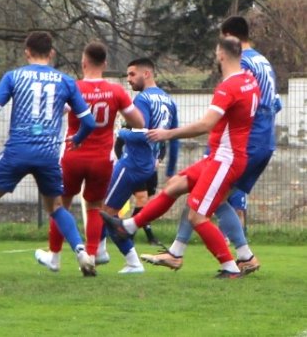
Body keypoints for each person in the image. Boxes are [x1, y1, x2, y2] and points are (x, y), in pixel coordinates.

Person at [102, 36, 259, 278]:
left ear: (221, 55)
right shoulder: (250, 80)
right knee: (175, 185)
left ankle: (230, 267)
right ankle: (129, 227)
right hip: (222, 156)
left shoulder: (228, 87)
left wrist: (168, 134)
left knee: (198, 215)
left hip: (225, 160)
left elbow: (206, 124)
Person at [142, 16, 279, 275]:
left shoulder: (242, 64)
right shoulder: (263, 61)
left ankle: (234, 256)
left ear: (229, 40)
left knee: (206, 199)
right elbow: (274, 103)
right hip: (263, 140)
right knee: (212, 199)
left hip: (241, 142)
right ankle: (187, 252)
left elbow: (233, 108)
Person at [0, 31, 97, 277]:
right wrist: (78, 139)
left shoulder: (14, 77)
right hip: (48, 154)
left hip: (18, 151)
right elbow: (89, 122)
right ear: (51, 53)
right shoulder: (66, 81)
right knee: (56, 207)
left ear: (27, 51)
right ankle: (82, 252)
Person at [34, 42, 143, 273]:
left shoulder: (73, 88)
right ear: (105, 63)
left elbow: (54, 112)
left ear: (83, 62)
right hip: (102, 159)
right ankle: (91, 256)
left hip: (73, 155)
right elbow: (139, 121)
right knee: (94, 207)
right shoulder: (116, 91)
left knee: (59, 204)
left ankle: (54, 256)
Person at [97, 58, 179, 273]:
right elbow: (174, 136)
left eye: (132, 74)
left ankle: (128, 260)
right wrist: (170, 169)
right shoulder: (168, 100)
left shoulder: (143, 99)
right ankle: (98, 251)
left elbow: (142, 135)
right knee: (107, 210)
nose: (129, 80)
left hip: (132, 162)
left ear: (147, 74)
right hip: (146, 165)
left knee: (106, 212)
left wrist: (120, 132)